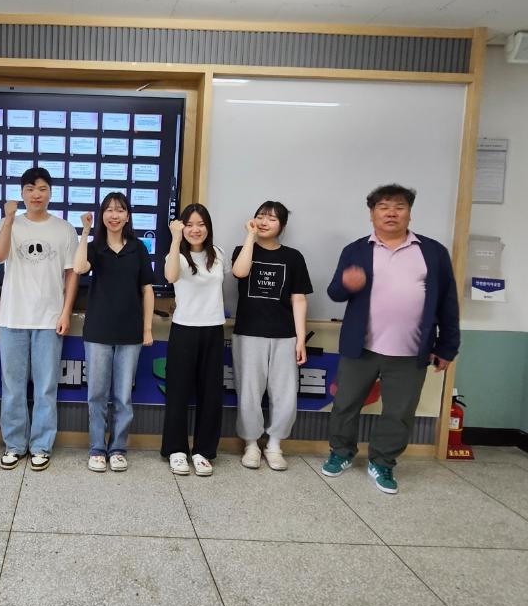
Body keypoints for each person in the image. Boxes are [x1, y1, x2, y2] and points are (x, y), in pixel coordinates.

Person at [321, 184, 460, 494]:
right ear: (372, 214)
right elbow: (334, 292)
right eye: (383, 207)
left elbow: (448, 302)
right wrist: (346, 284)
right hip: (361, 347)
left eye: (399, 207)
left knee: (399, 412)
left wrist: (448, 346)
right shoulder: (356, 250)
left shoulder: (432, 252)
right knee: (344, 404)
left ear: (409, 213)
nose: (391, 213)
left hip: (411, 350)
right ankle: (341, 452)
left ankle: (382, 462)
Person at [0, 167, 78, 471]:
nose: (36, 195)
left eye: (42, 188)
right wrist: (9, 219)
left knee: (45, 388)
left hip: (49, 319)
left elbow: (72, 274)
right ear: (22, 193)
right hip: (13, 317)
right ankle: (14, 444)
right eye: (30, 189)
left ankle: (41, 445)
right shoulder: (7, 223)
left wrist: (65, 312)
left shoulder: (64, 229)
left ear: (50, 192)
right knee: (12, 386)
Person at [74, 192, 154, 473]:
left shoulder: (138, 248)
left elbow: (147, 290)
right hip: (98, 331)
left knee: (123, 396)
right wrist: (85, 231)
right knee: (96, 394)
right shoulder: (95, 247)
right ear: (102, 215)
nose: (114, 215)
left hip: (130, 332)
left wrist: (147, 329)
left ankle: (118, 448)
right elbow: (79, 267)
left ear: (127, 216)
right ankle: (97, 448)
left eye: (120, 210)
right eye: (109, 210)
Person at [231, 201, 312, 471]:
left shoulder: (293, 257)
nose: (265, 222)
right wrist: (250, 236)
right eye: (261, 216)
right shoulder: (243, 250)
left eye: (272, 219)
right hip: (248, 333)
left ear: (282, 226)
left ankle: (275, 445)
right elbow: (240, 272)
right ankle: (251, 444)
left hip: (284, 335)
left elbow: (298, 299)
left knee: (285, 394)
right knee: (249, 392)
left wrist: (300, 339)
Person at [161, 204, 226, 477]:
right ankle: (176, 450)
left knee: (211, 394)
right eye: (189, 224)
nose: (195, 229)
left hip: (213, 329)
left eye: (201, 224)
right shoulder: (175, 254)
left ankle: (203, 451)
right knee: (177, 392)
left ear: (208, 227)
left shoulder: (218, 254)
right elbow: (170, 276)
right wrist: (175, 238)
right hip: (184, 329)